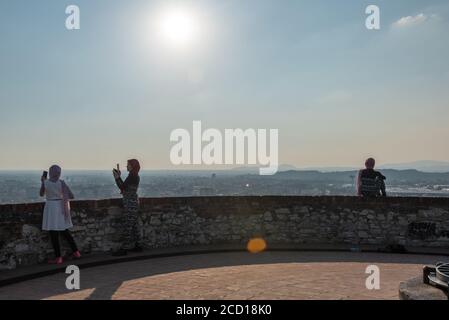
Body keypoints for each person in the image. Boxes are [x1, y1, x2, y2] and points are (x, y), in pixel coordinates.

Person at [40, 165, 81, 264]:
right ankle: (76, 252)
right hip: (61, 207)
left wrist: (42, 182)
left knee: (53, 233)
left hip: (50, 208)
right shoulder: (61, 183)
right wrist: (63, 196)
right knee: (64, 231)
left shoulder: (46, 182)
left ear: (50, 172)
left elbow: (41, 194)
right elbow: (71, 196)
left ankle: (58, 257)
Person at [112, 159, 142, 256]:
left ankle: (124, 249)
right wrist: (119, 177)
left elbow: (122, 187)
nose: (126, 166)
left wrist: (117, 177)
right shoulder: (134, 175)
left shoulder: (132, 176)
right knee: (134, 225)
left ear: (132, 166)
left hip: (130, 203)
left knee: (128, 226)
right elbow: (125, 187)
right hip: (134, 203)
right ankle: (138, 245)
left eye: (128, 165)